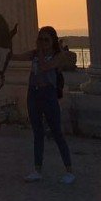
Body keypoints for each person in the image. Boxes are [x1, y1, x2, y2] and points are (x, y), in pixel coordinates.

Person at [12, 26, 74, 184]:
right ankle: (37, 170)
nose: (43, 42)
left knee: (56, 132)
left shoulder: (58, 56)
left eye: (46, 40)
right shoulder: (33, 54)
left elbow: (46, 67)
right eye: (40, 39)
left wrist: (39, 52)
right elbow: (16, 57)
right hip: (33, 94)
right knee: (37, 132)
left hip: (48, 95)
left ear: (53, 41)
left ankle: (69, 171)